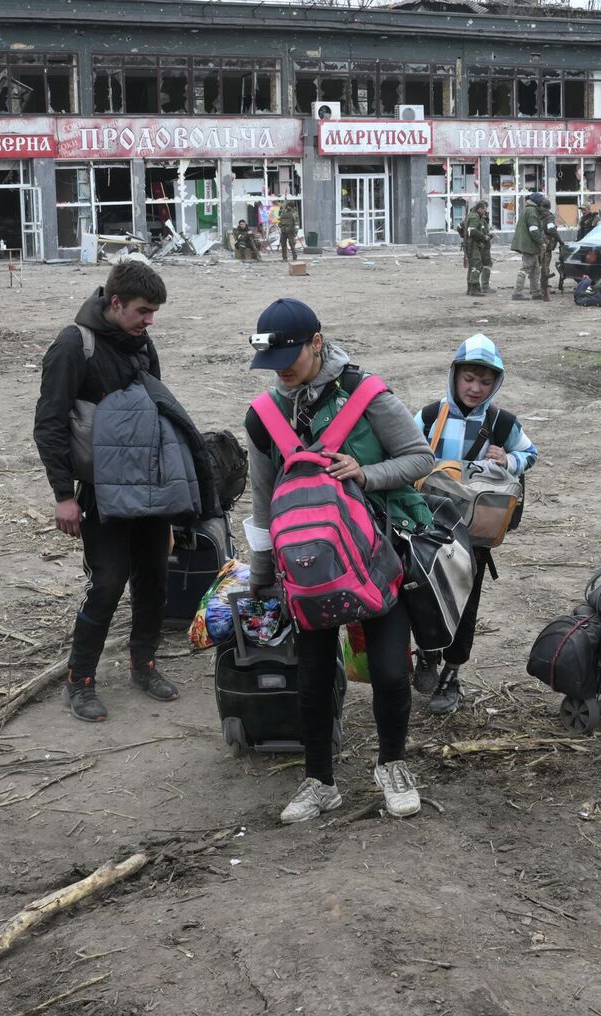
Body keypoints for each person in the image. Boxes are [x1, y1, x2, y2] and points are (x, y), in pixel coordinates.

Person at [242, 298, 434, 823]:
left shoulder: (366, 394)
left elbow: (421, 458)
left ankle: (393, 765)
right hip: (305, 567)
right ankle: (319, 780)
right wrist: (262, 576)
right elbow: (263, 500)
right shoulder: (265, 417)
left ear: (317, 342)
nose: (282, 370)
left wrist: (365, 473)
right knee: (312, 676)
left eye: (291, 357)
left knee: (392, 673)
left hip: (377, 558)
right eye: (272, 361)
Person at [33, 258, 188, 722]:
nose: (149, 321)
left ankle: (144, 664)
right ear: (115, 302)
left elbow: (159, 411)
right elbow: (50, 425)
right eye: (143, 311)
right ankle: (80, 681)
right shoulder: (72, 346)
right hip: (102, 492)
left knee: (154, 581)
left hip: (151, 489)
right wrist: (64, 495)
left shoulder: (142, 343)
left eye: (154, 312)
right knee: (106, 584)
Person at [414, 335, 538, 715]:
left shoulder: (503, 423)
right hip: (428, 528)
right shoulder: (430, 416)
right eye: (469, 378)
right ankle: (427, 655)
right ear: (454, 375)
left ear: (496, 383)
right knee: (422, 595)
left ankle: (452, 673)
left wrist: (509, 460)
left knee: (464, 602)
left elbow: (529, 453)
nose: (475, 388)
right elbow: (403, 452)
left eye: (485, 382)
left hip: (476, 534)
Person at [510, 191, 548, 300]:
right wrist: (542, 242)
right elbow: (534, 230)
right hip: (529, 245)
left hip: (529, 244)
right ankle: (517, 293)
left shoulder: (528, 209)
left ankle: (536, 292)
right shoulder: (532, 211)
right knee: (526, 268)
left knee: (535, 269)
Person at [460, 199, 495, 296]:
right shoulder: (475, 217)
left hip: (472, 244)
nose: (485, 211)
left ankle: (472, 288)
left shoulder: (473, 216)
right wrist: (484, 237)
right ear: (479, 208)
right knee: (476, 265)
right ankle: (474, 288)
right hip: (473, 244)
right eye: (484, 209)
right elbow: (472, 231)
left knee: (473, 266)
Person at [535, 198, 561, 301]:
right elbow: (551, 229)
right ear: (549, 207)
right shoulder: (549, 216)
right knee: (545, 266)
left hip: (537, 243)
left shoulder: (535, 214)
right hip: (546, 245)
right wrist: (560, 240)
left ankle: (536, 287)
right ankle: (544, 288)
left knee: (537, 265)